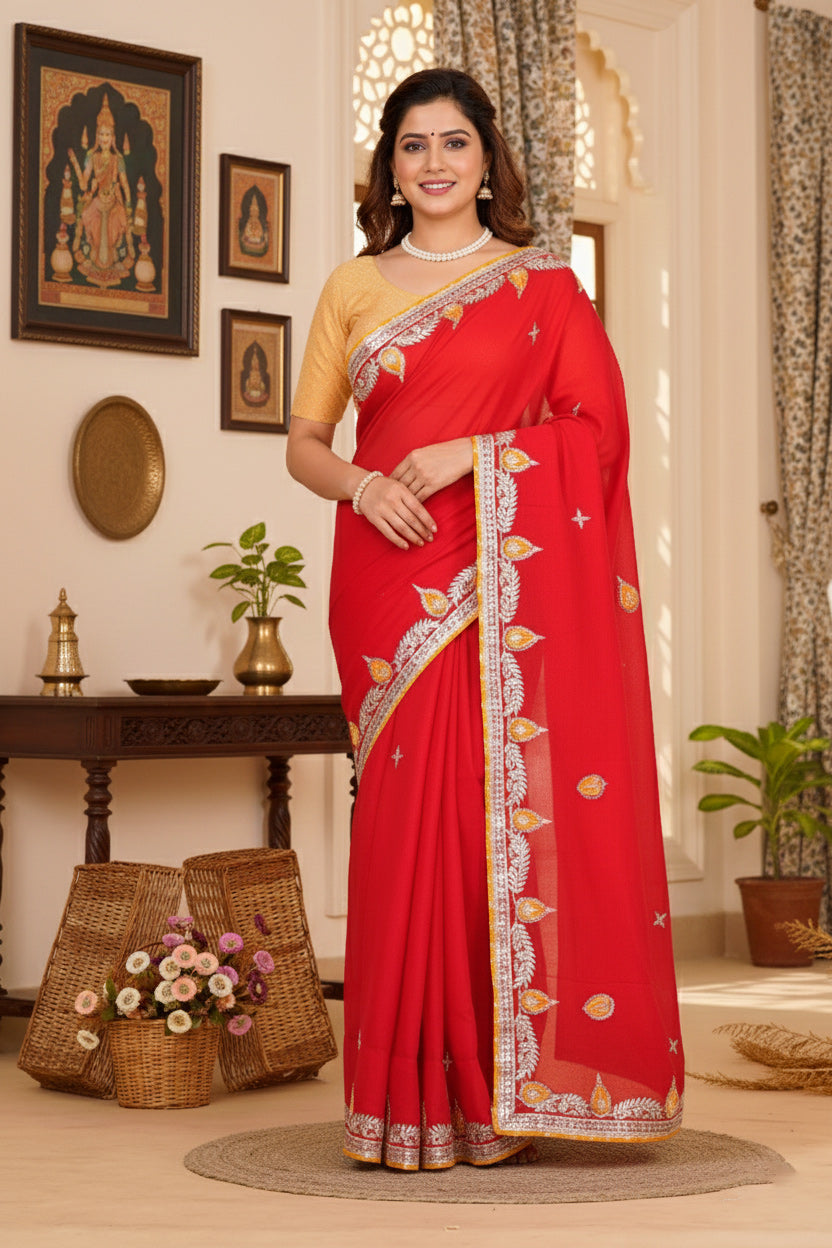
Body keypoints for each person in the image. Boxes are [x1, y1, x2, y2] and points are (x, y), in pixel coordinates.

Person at [286, 67, 684, 1171]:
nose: (434, 163)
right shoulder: (352, 287)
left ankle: (490, 1094)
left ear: (486, 159)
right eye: (413, 146)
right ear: (389, 167)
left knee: (483, 822)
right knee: (402, 829)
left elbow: (597, 433)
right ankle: (404, 1100)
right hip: (388, 573)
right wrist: (362, 486)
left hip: (501, 570)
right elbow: (305, 443)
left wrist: (477, 451)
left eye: (453, 142)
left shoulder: (544, 287)